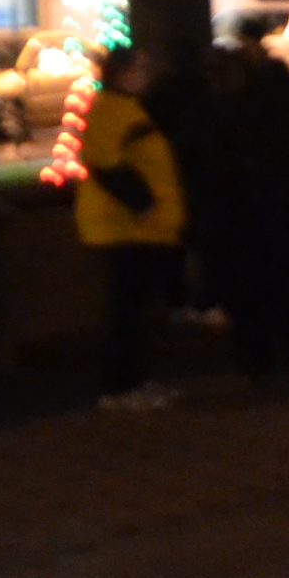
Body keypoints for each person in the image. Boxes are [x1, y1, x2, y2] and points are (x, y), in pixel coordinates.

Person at [76, 48, 193, 409]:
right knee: (126, 311)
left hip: (133, 226)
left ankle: (131, 384)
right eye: (141, 68)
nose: (148, 74)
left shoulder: (122, 108)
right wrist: (144, 204)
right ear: (123, 74)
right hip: (123, 227)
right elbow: (104, 163)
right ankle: (121, 388)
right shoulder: (113, 109)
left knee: (131, 309)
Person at [207, 18, 289, 377]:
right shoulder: (273, 84)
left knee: (259, 290)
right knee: (283, 288)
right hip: (273, 203)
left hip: (255, 208)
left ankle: (264, 360)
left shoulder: (233, 103)